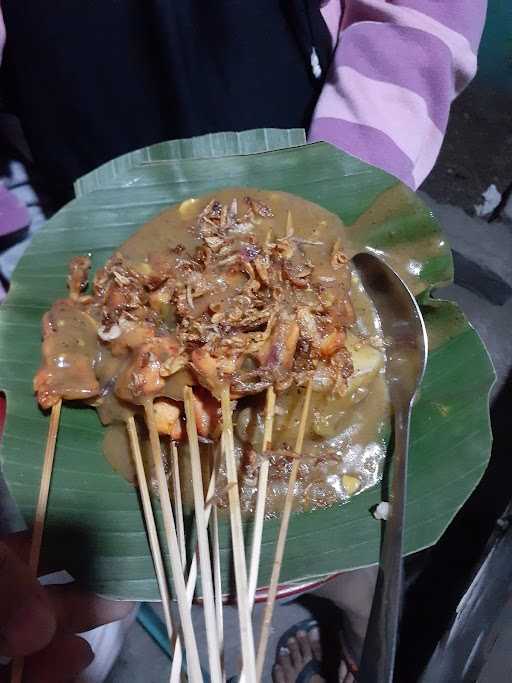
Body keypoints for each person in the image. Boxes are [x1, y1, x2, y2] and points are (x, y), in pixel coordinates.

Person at [0, 1, 487, 681]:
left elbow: (419, 21)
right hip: (85, 172)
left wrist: (350, 186)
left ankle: (357, 623)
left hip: (309, 136)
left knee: (340, 523)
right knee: (167, 511)